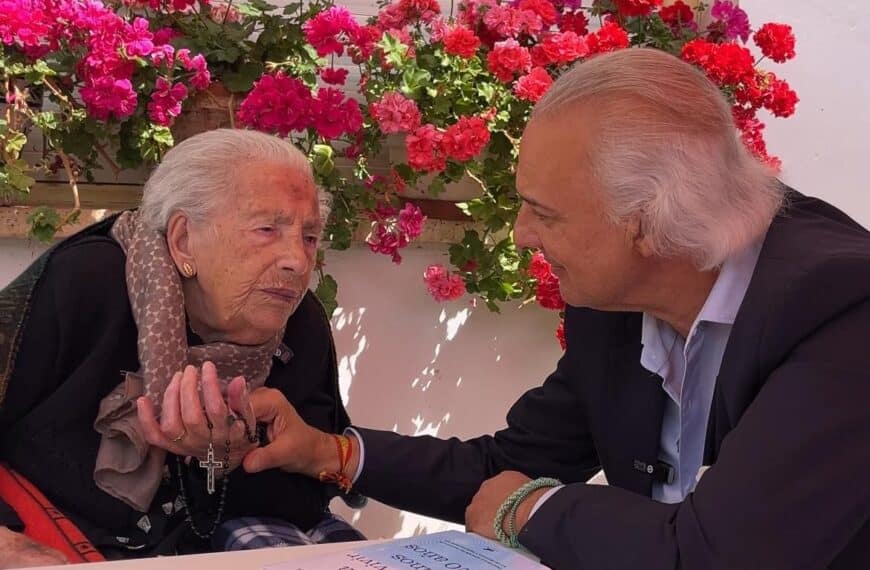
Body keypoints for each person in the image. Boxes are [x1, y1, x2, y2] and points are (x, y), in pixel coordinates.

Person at [240, 49, 870, 569]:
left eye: (544, 211)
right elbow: (508, 466)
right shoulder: (619, 301)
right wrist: (329, 452)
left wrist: (531, 510)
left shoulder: (843, 306)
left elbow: (721, 557)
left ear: (646, 223)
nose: (520, 235)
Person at [0, 129, 362, 567]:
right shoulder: (86, 281)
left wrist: (232, 460)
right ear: (184, 241)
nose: (298, 261)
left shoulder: (299, 324)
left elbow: (307, 498)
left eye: (308, 236)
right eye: (268, 229)